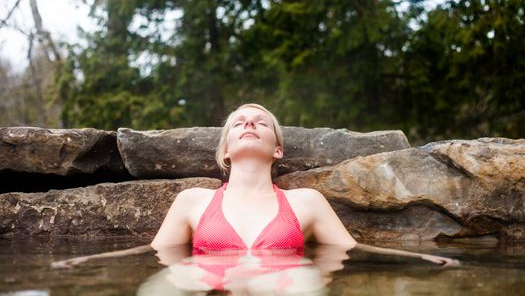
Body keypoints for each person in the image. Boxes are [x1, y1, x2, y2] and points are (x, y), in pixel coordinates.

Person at [52, 103, 459, 275]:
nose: (249, 124)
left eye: (260, 122)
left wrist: (420, 259)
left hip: (285, 286)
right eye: (239, 123)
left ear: (277, 148)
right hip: (207, 283)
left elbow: (353, 250)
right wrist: (89, 264)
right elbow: (154, 252)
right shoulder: (193, 201)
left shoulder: (307, 202)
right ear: (226, 149)